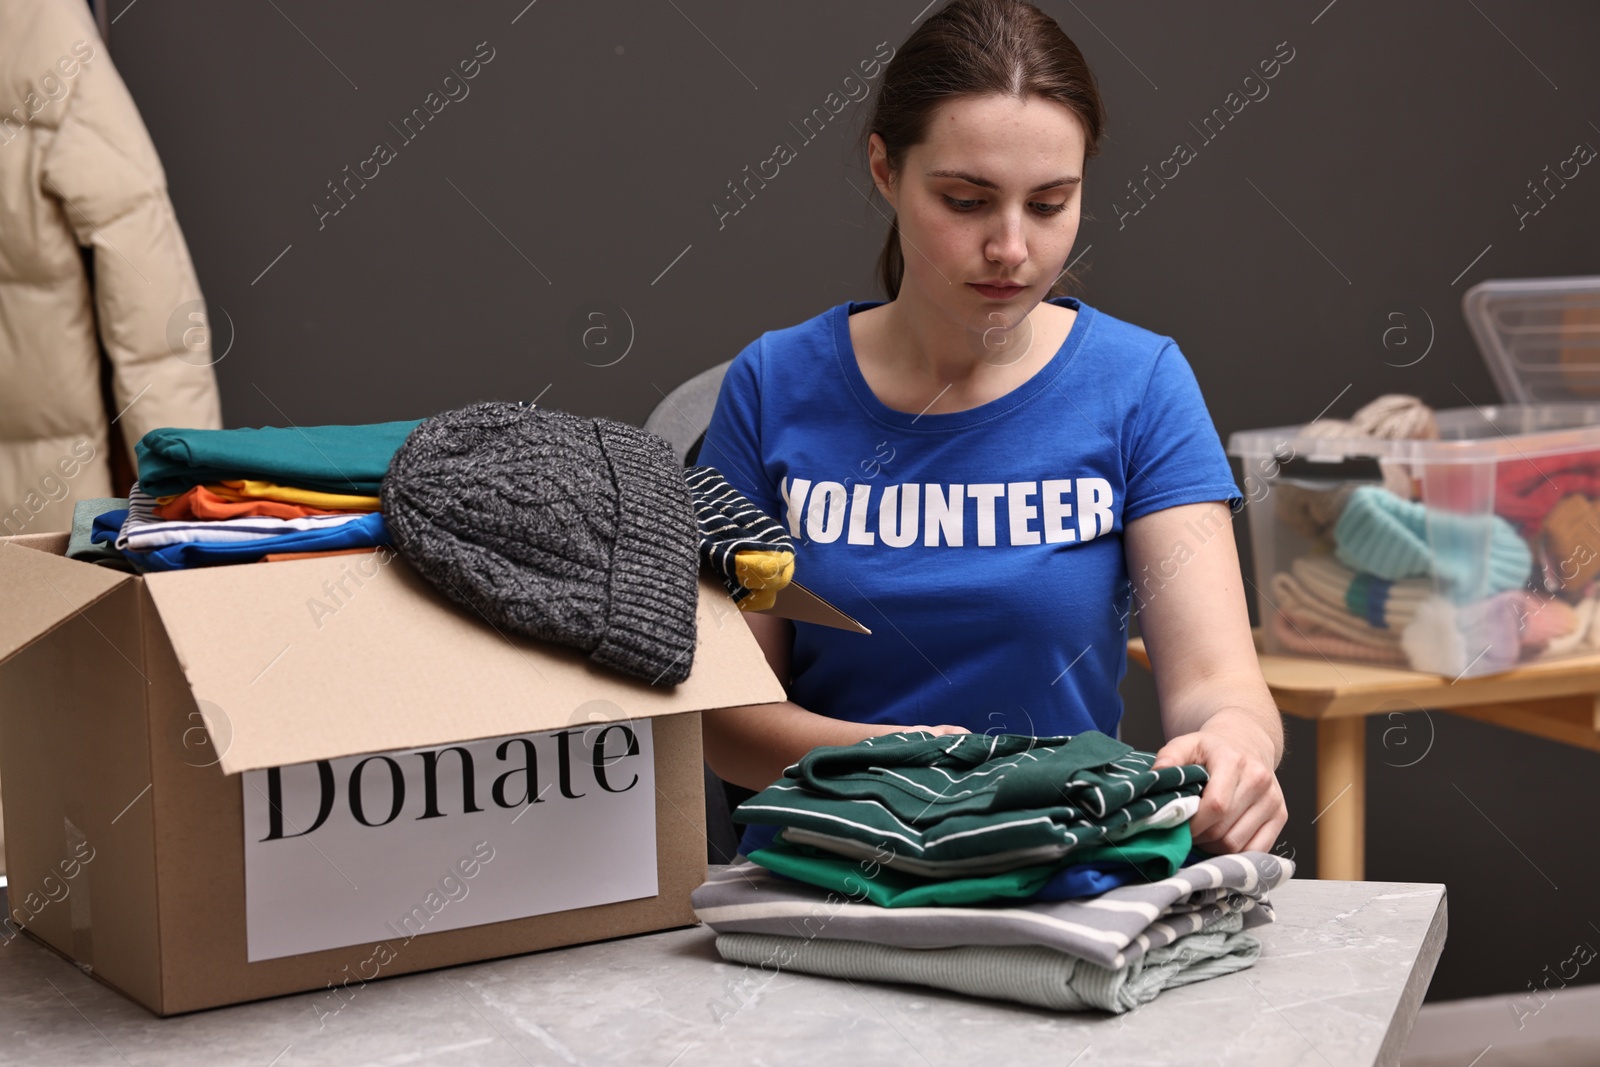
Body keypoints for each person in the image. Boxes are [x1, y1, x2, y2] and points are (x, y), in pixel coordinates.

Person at [699, 0, 1287, 859]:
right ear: (884, 169)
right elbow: (725, 718)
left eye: (1050, 204)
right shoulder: (772, 386)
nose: (1011, 247)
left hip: (1052, 877)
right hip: (821, 891)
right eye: (967, 200)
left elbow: (1216, 678)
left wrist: (1238, 744)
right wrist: (930, 768)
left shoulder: (1139, 384)